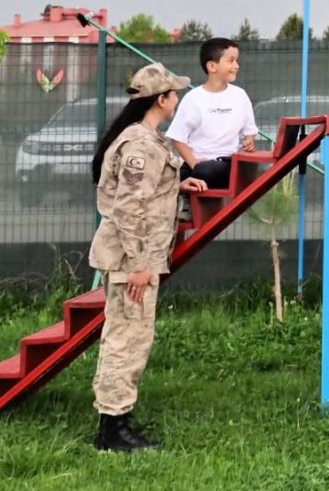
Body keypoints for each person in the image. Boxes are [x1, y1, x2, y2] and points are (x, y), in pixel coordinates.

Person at [89, 62, 207, 452]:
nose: (177, 99)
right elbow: (127, 209)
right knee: (126, 341)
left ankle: (117, 420)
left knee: (131, 338)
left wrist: (175, 184)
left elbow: (145, 193)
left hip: (135, 258)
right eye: (174, 93)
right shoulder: (140, 144)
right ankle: (112, 430)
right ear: (161, 99)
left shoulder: (145, 139)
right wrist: (140, 265)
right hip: (131, 262)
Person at [166, 37, 258, 190]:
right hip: (195, 165)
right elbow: (178, 139)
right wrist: (194, 163)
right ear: (212, 66)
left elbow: (250, 131)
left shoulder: (240, 95)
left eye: (237, 61)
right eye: (231, 61)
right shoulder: (193, 98)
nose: (236, 66)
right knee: (172, 179)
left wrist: (249, 141)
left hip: (226, 163)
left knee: (207, 171)